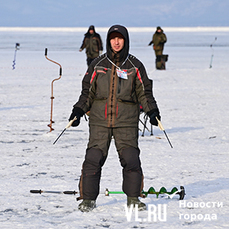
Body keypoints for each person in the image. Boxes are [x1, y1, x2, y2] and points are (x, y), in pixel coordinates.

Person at [69, 25, 161, 212]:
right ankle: (88, 200)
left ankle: (133, 199)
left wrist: (152, 111)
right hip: (99, 120)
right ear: (109, 40)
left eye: (120, 38)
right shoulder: (97, 64)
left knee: (131, 159)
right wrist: (78, 110)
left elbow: (144, 92)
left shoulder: (135, 65)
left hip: (126, 121)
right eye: (113, 38)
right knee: (93, 159)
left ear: (125, 41)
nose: (116, 42)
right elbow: (87, 92)